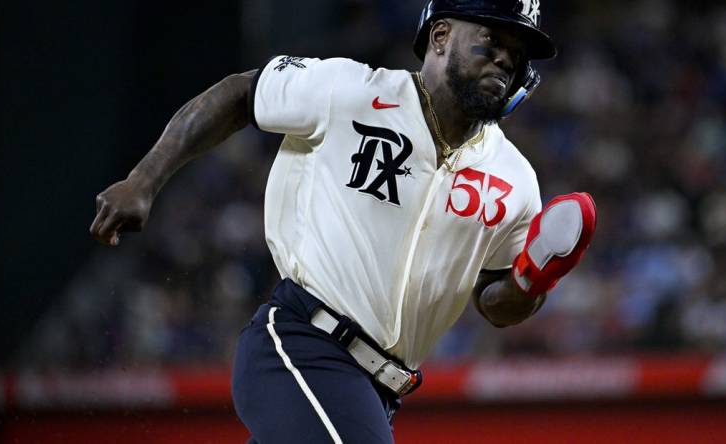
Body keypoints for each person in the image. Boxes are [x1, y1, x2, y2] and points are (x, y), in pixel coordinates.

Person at [89, 0, 596, 442]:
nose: (508, 57)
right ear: (440, 36)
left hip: (379, 393)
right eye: (492, 36)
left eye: (519, 49)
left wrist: (532, 278)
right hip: (302, 344)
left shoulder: (515, 179)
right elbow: (242, 93)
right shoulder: (348, 91)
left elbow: (495, 304)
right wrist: (144, 180)